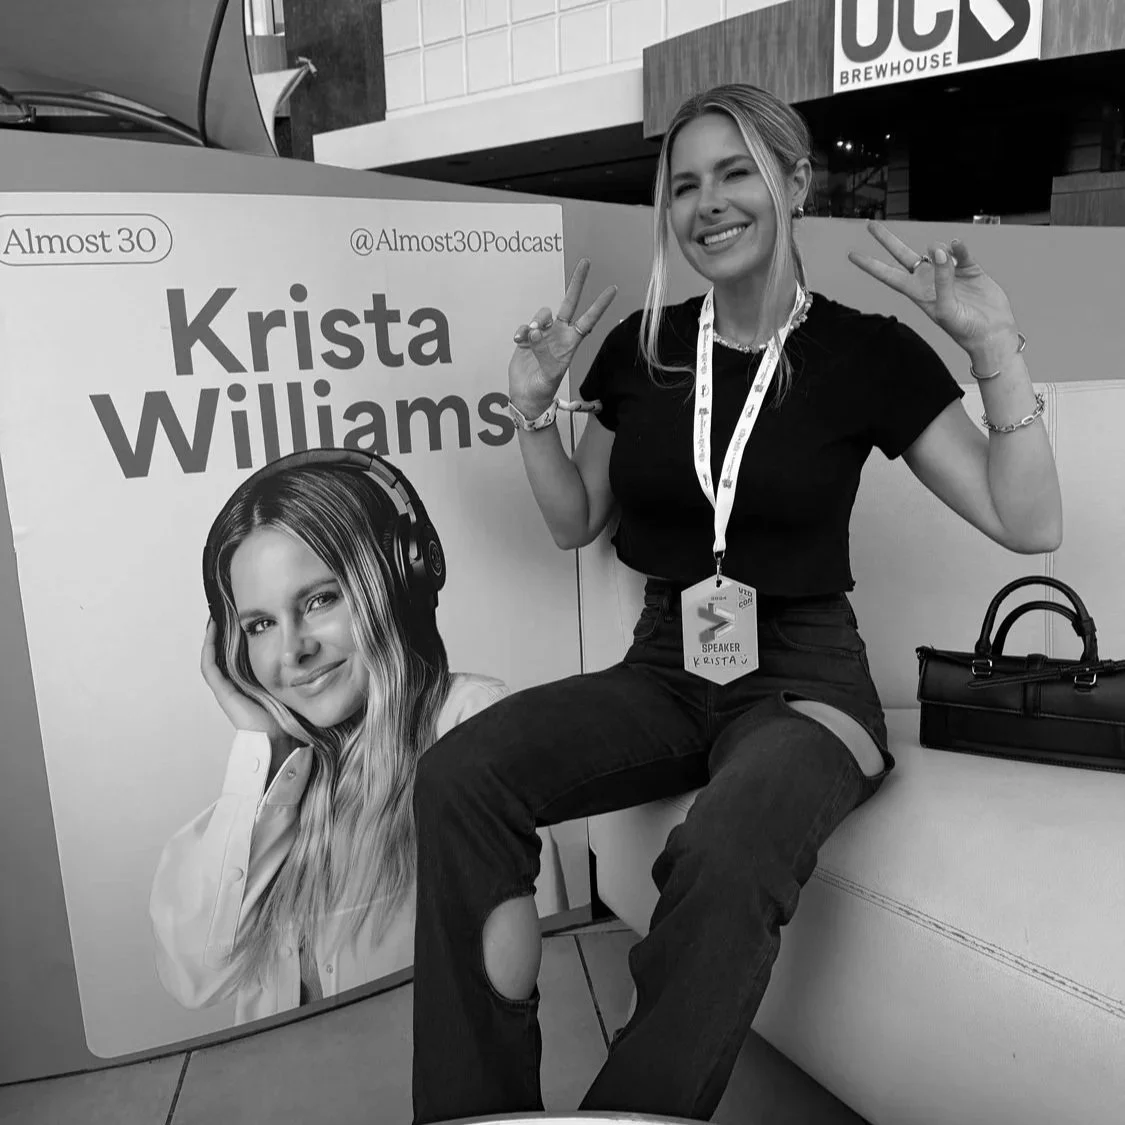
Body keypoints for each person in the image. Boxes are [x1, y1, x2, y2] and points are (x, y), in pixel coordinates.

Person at [410, 83, 1062, 1122]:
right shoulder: (643, 349)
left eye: (735, 173)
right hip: (664, 663)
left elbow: (1025, 521)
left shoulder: (866, 352)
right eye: (684, 185)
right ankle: (472, 1112)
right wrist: (531, 414)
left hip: (806, 682)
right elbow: (577, 518)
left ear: (795, 183)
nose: (707, 202)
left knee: (728, 839)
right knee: (459, 774)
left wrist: (992, 350)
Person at [148, 450, 566, 1025]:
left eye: (319, 600)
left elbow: (532, 992)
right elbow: (195, 977)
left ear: (394, 582)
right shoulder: (278, 777)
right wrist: (261, 753)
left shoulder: (472, 726)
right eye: (260, 625)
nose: (292, 650)